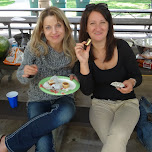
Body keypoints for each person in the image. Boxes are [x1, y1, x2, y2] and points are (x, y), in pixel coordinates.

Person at [0, 6, 77, 152]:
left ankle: (8, 142)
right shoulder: (34, 47)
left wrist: (75, 77)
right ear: (42, 30)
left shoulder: (72, 47)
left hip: (64, 97)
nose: (54, 32)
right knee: (43, 143)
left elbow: (78, 72)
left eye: (58, 25)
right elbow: (21, 75)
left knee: (67, 112)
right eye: (48, 27)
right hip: (38, 98)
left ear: (65, 26)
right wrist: (27, 73)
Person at [74, 3, 142, 152]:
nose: (98, 28)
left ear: (109, 25)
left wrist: (131, 82)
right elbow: (87, 90)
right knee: (114, 143)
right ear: (86, 27)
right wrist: (84, 62)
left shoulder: (122, 47)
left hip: (127, 104)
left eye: (102, 22)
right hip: (100, 106)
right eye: (92, 23)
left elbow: (137, 75)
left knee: (116, 138)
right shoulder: (82, 54)